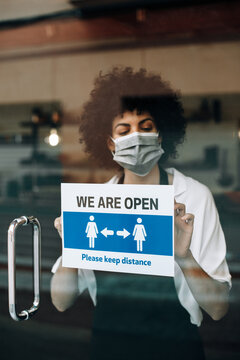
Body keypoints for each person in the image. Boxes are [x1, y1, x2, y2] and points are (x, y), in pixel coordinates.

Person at [51, 67, 231, 360]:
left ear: (160, 135)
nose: (136, 137)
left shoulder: (194, 196)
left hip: (176, 348)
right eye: (124, 131)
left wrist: (184, 257)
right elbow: (60, 302)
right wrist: (71, 250)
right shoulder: (95, 204)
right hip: (108, 347)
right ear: (110, 143)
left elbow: (219, 308)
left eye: (146, 127)